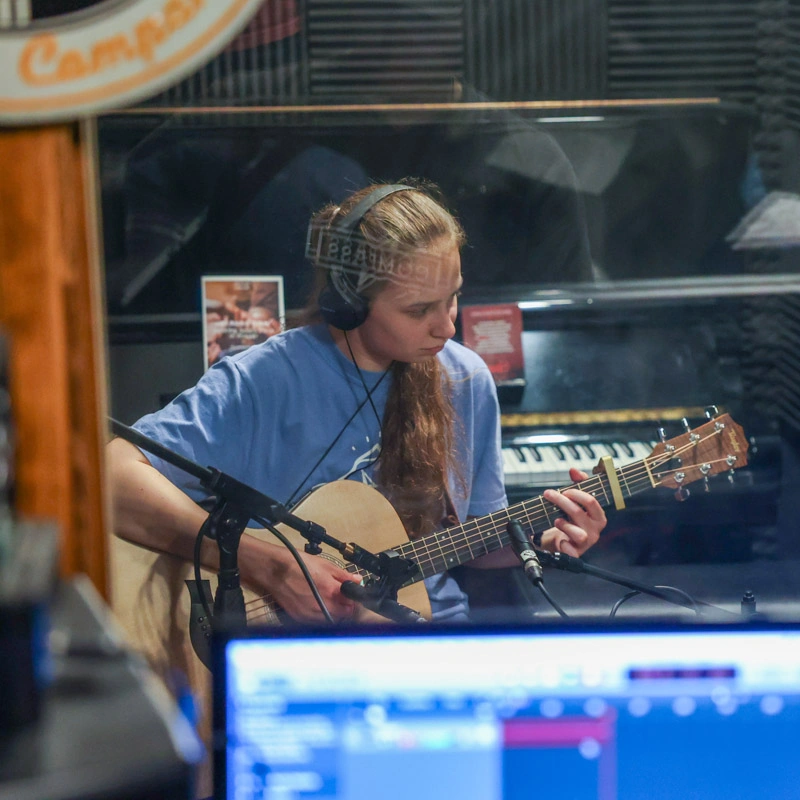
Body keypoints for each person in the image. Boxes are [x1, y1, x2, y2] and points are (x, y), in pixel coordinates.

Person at [107, 180, 606, 626]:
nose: (448, 326)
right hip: (288, 648)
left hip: (426, 635)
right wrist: (272, 566)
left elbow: (473, 543)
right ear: (349, 303)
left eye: (452, 297)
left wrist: (542, 542)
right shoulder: (261, 379)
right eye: (419, 310)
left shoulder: (465, 377)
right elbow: (112, 477)